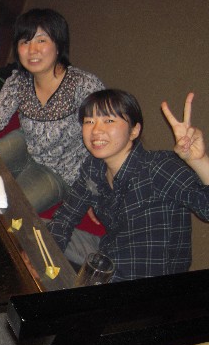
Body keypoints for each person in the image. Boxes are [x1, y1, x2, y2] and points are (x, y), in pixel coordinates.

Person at [47, 89, 209, 282]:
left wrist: (199, 160)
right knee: (38, 231)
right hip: (107, 256)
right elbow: (65, 218)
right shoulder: (94, 167)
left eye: (109, 120)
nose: (96, 130)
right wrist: (44, 257)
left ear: (134, 131)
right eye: (89, 121)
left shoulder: (158, 167)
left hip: (145, 279)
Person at [0, 8, 105, 212]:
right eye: (25, 41)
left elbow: (106, 139)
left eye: (41, 40)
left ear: (58, 46)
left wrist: (94, 191)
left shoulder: (84, 86)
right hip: (26, 143)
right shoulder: (19, 81)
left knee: (9, 211)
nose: (32, 50)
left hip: (60, 170)